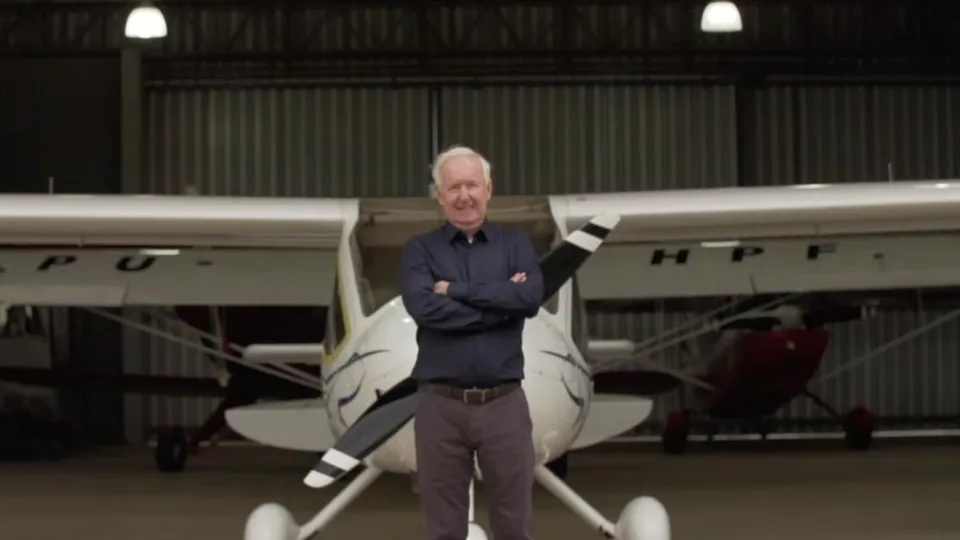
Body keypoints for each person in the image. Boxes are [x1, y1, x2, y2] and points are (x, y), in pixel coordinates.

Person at [400, 145, 545, 540]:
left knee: (514, 523)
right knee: (444, 527)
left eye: (472, 185)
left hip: (504, 404)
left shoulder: (516, 245)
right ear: (440, 194)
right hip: (439, 406)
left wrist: (455, 290)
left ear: (488, 189)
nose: (464, 195)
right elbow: (426, 310)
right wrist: (501, 302)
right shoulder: (419, 250)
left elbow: (529, 299)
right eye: (453, 187)